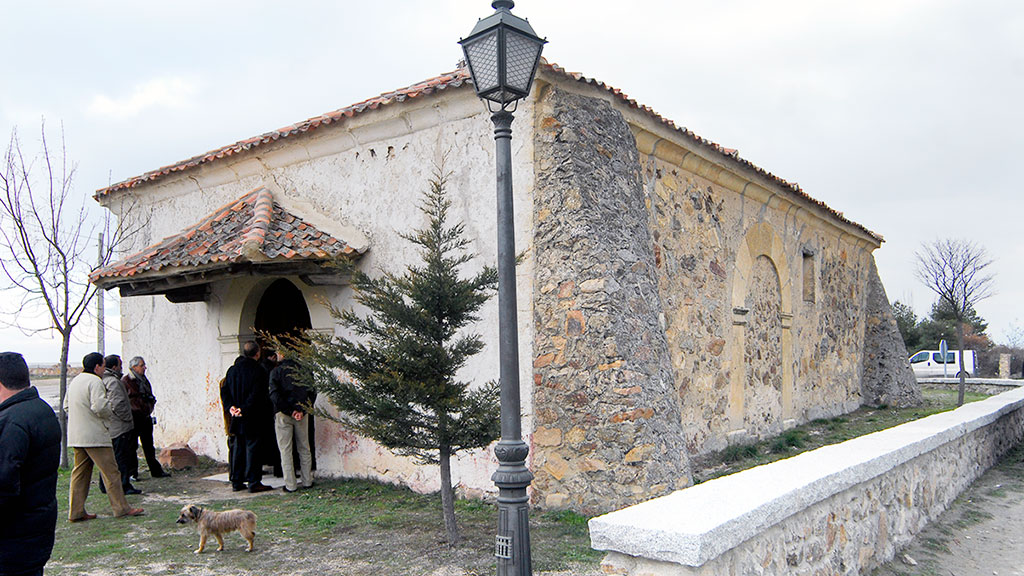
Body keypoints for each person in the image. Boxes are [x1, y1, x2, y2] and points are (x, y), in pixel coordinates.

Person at [0, 352, 61, 576]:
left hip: (13, 538)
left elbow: (4, 484)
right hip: (36, 528)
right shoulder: (40, 409)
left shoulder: (12, 421)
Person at [65, 352, 144, 521]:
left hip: (77, 435)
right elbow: (100, 406)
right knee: (111, 473)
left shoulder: (75, 381)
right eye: (102, 365)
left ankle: (76, 511)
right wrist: (107, 417)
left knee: (80, 473)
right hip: (95, 436)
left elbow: (66, 406)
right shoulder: (95, 381)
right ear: (97, 367)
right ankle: (121, 508)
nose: (104, 369)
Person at [220, 341, 273, 493]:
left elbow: (225, 390)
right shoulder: (259, 370)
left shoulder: (232, 370)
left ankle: (236, 481)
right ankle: (253, 481)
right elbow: (257, 395)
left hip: (237, 416)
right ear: (258, 353)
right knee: (252, 449)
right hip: (253, 415)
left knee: (238, 448)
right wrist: (243, 408)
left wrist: (231, 407)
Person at [268, 350, 314, 492]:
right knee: (304, 447)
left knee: (285, 450)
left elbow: (274, 394)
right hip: (301, 414)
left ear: (282, 354)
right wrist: (302, 410)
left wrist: (289, 410)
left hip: (283, 414)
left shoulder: (276, 372)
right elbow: (312, 392)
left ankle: (290, 485)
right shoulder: (304, 370)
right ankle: (307, 481)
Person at [98, 355, 141, 495]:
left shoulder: (102, 380)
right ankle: (124, 485)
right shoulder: (113, 382)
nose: (122, 367)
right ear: (114, 367)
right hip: (119, 427)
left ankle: (105, 485)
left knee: (109, 459)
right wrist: (128, 419)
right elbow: (118, 404)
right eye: (120, 364)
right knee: (121, 458)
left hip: (110, 426)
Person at [122, 356, 169, 479]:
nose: (144, 368)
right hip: (134, 417)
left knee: (149, 446)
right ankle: (132, 473)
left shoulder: (143, 380)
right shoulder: (127, 381)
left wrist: (150, 403)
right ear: (134, 367)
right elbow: (131, 399)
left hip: (145, 416)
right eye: (142, 365)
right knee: (132, 446)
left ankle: (156, 471)